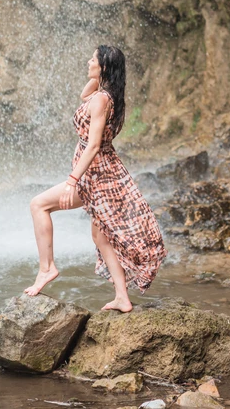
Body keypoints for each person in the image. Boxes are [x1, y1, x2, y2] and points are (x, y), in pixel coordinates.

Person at [24, 45, 168, 312]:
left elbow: (92, 145)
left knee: (38, 204)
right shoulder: (106, 95)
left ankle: (47, 268)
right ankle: (122, 297)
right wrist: (100, 75)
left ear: (104, 67)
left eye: (93, 59)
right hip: (105, 172)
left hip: (97, 177)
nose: (88, 61)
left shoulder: (102, 100)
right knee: (101, 237)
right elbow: (84, 95)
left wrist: (72, 181)